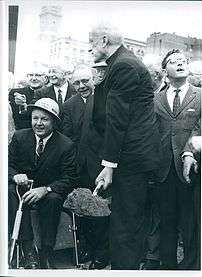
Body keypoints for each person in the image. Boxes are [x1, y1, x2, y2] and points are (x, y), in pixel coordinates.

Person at [89, 22, 161, 270]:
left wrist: (108, 165)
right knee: (126, 221)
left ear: (104, 40)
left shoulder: (123, 66)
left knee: (125, 223)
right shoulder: (121, 63)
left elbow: (117, 119)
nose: (90, 48)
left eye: (91, 42)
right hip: (131, 155)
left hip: (131, 157)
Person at [8, 98, 78, 269]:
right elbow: (7, 164)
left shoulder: (66, 145)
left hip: (48, 192)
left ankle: (46, 251)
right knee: (9, 192)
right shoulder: (19, 137)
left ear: (54, 122)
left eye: (44, 119)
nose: (38, 123)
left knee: (53, 199)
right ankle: (28, 250)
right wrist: (16, 175)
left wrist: (45, 189)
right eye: (35, 118)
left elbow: (69, 178)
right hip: (22, 189)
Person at [154, 49, 201, 269]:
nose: (180, 64)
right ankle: (168, 267)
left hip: (192, 168)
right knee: (166, 221)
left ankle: (192, 267)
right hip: (163, 169)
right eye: (173, 62)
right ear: (165, 71)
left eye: (183, 61)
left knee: (190, 221)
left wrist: (190, 151)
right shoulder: (156, 98)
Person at [62, 65, 110, 269]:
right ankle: (87, 248)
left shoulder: (105, 99)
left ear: (93, 79)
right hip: (78, 166)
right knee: (81, 210)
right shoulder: (68, 105)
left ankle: (102, 253)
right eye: (77, 83)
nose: (82, 86)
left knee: (100, 210)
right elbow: (66, 137)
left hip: (101, 166)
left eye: (85, 81)